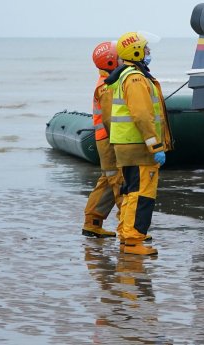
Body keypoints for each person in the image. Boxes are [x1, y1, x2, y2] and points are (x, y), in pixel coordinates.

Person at [107, 32, 171, 256]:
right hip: (138, 147)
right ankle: (134, 241)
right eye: (146, 49)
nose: (148, 53)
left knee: (131, 192)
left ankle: (127, 237)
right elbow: (142, 116)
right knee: (142, 194)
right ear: (135, 52)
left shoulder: (125, 76)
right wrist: (155, 146)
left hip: (128, 146)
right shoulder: (135, 79)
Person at [81, 41, 121, 238]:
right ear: (112, 62)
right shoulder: (107, 87)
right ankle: (129, 227)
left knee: (107, 180)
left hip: (105, 138)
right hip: (109, 140)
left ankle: (92, 222)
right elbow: (111, 119)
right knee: (119, 180)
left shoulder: (108, 82)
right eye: (120, 57)